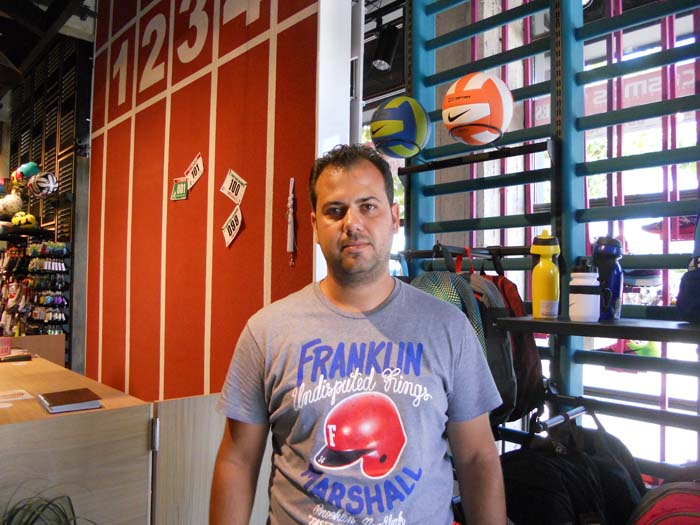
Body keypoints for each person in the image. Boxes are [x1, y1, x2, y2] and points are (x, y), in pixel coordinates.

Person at [210, 144, 506, 525]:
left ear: (394, 218)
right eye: (335, 211)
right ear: (314, 225)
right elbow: (237, 460)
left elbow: (478, 457)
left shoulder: (449, 328)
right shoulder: (266, 332)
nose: (352, 223)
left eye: (368, 206)